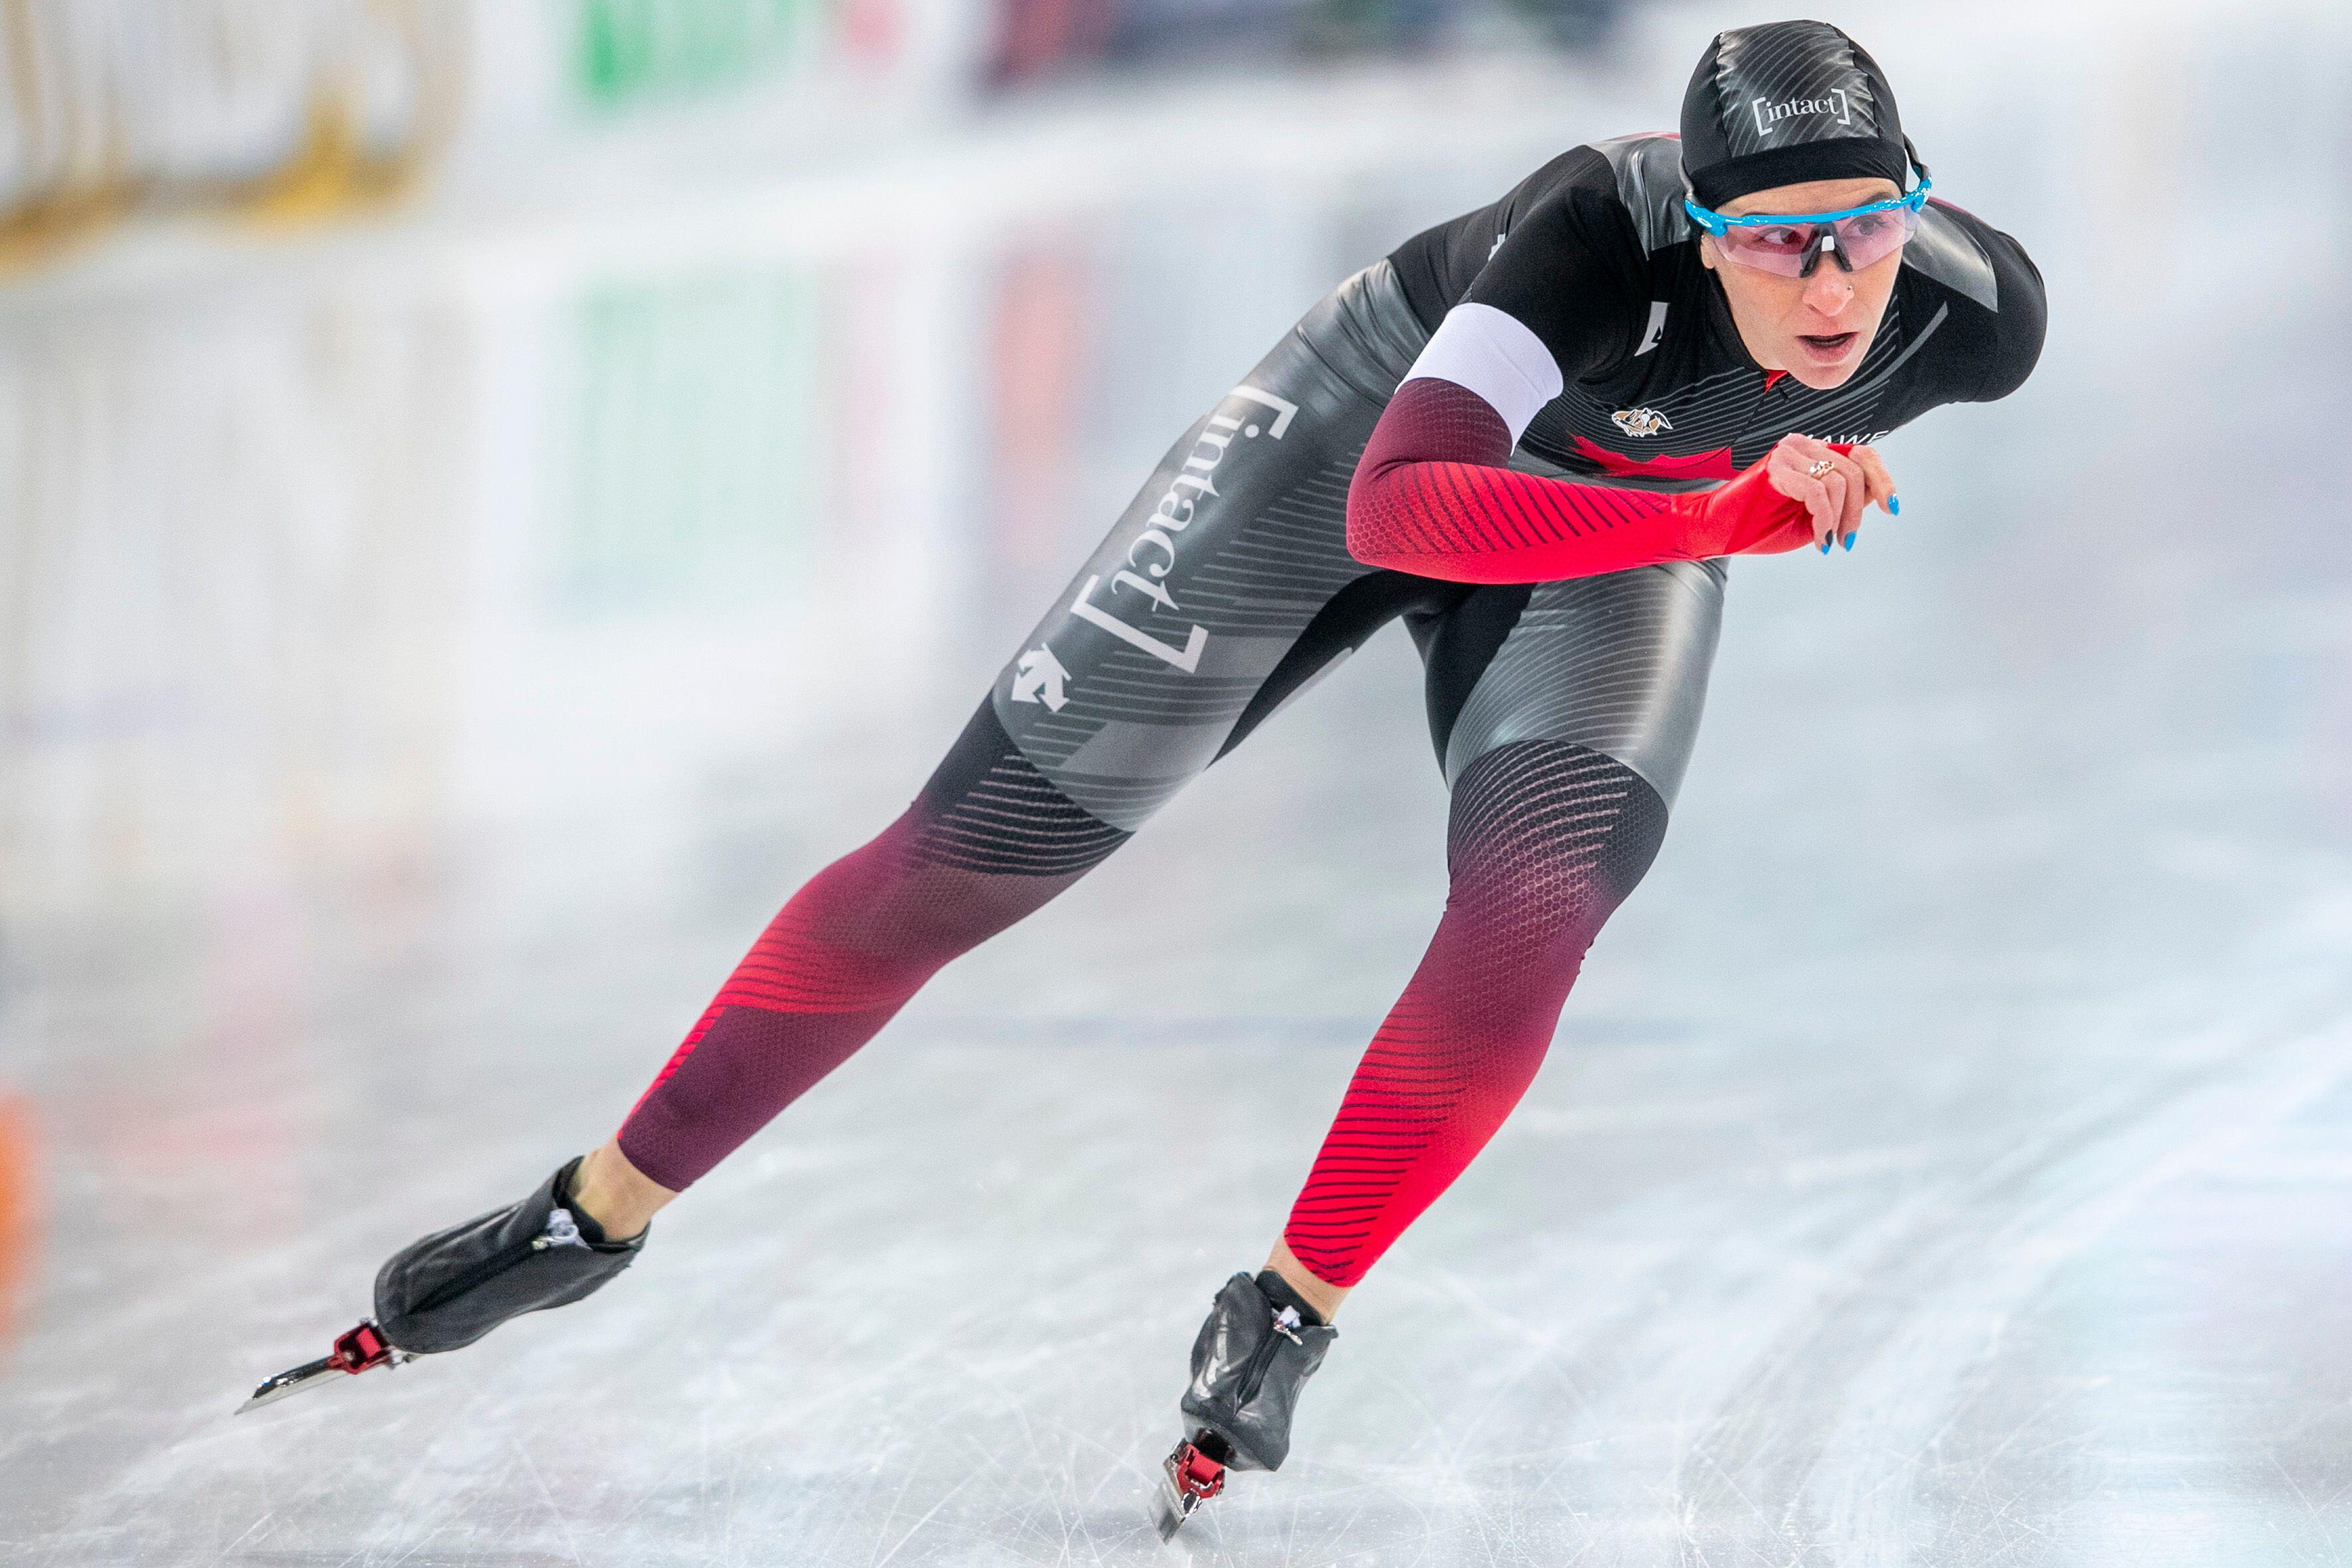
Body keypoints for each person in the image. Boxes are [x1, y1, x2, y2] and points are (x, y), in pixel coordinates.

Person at [244, 15, 2045, 1536]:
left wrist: (1697, 506)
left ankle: (1290, 1307)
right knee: (965, 859)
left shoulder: (1970, 318)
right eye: (1775, 240)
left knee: (1540, 905)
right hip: (1363, 441)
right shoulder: (1590, 232)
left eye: (1864, 232)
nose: (1828, 284)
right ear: (1700, 223)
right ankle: (595, 1206)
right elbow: (1400, 503)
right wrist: (1731, 501)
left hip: (1621, 533)